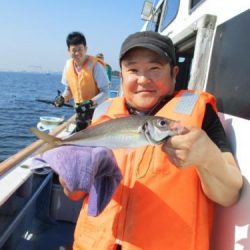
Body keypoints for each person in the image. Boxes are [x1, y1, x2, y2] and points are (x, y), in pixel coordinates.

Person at [59, 31, 243, 249]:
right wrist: (69, 175)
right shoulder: (103, 113)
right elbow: (72, 193)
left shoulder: (199, 115)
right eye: (133, 69)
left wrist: (207, 157)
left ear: (174, 73)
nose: (143, 79)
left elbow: (229, 195)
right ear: (122, 75)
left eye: (154, 69)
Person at [55, 32, 110, 131]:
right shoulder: (68, 66)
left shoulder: (96, 66)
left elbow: (105, 92)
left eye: (80, 49)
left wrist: (90, 103)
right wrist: (62, 98)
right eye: (74, 50)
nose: (77, 53)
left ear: (86, 49)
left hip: (98, 115)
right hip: (81, 116)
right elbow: (69, 90)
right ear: (68, 50)